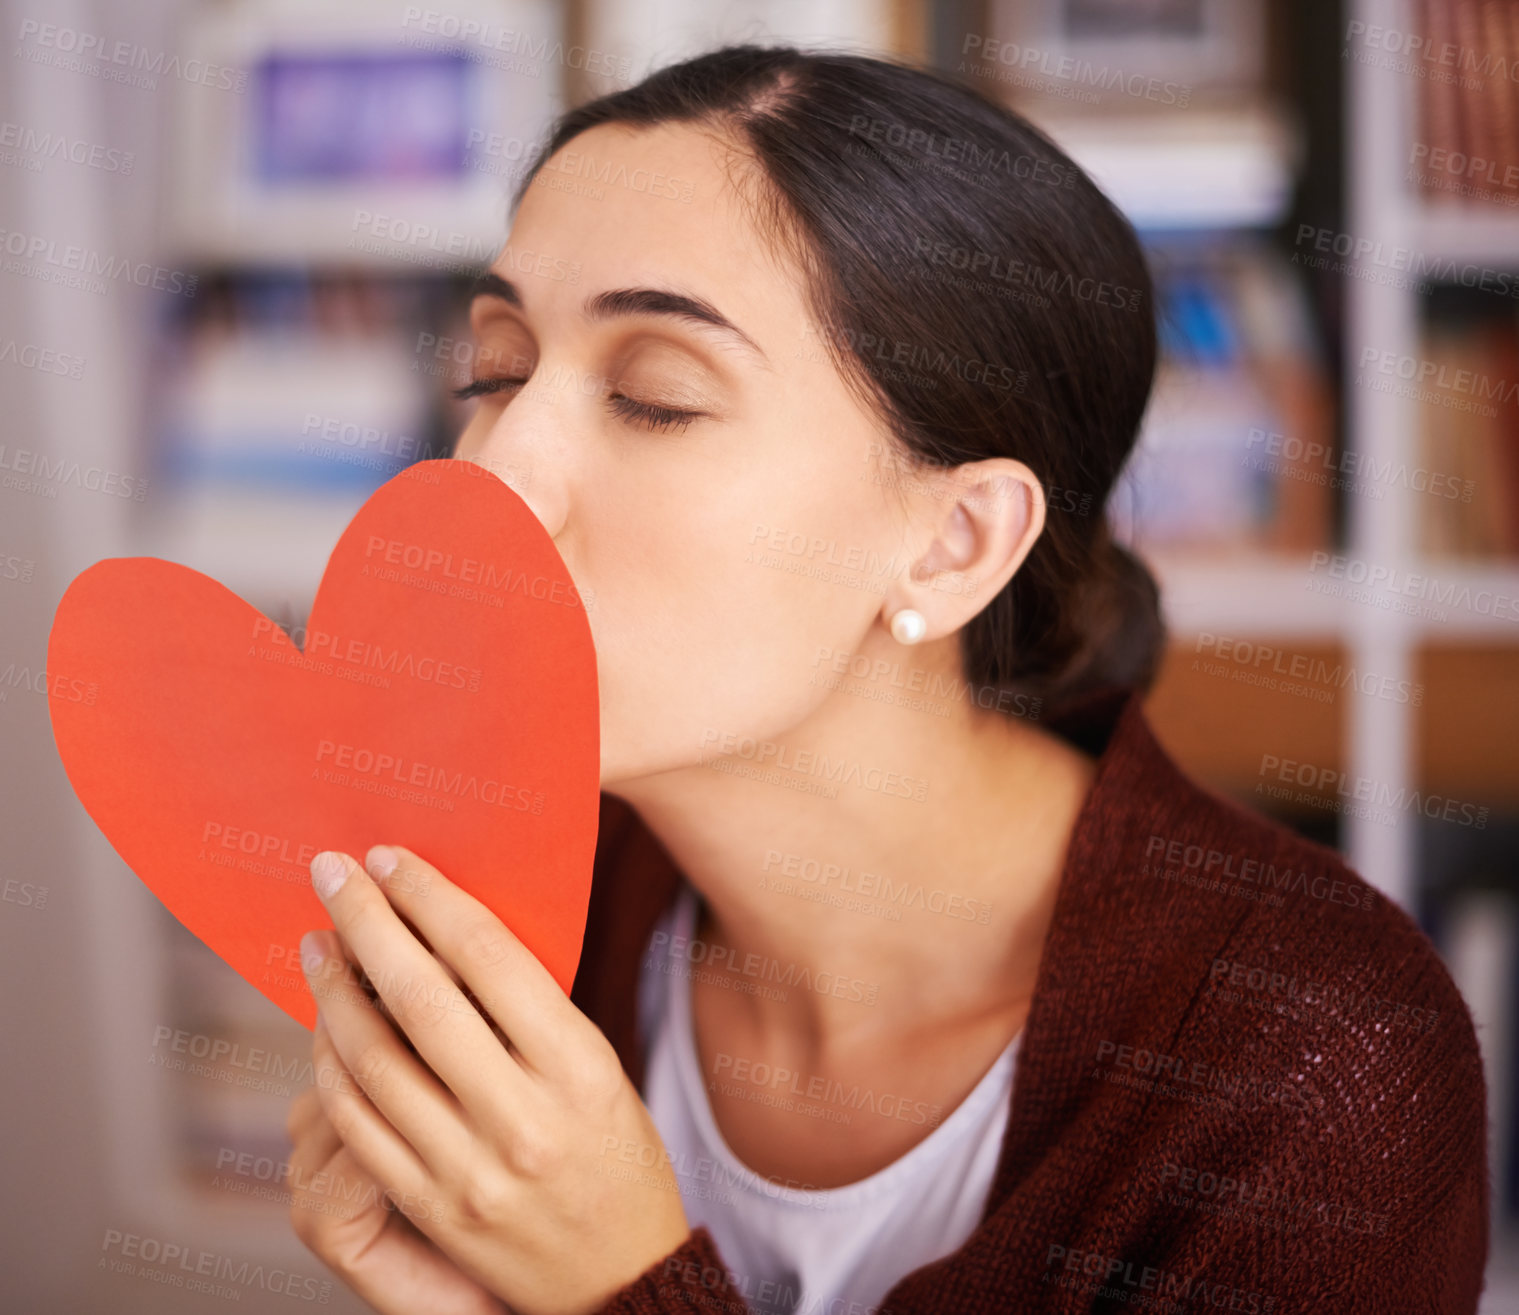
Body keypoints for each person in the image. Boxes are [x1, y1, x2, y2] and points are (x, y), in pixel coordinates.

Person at [284, 43, 1489, 1315]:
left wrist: (623, 1292)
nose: (491, 473)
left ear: (953, 541)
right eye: (498, 371)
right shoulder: (506, 910)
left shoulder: (1314, 1065)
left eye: (653, 396)